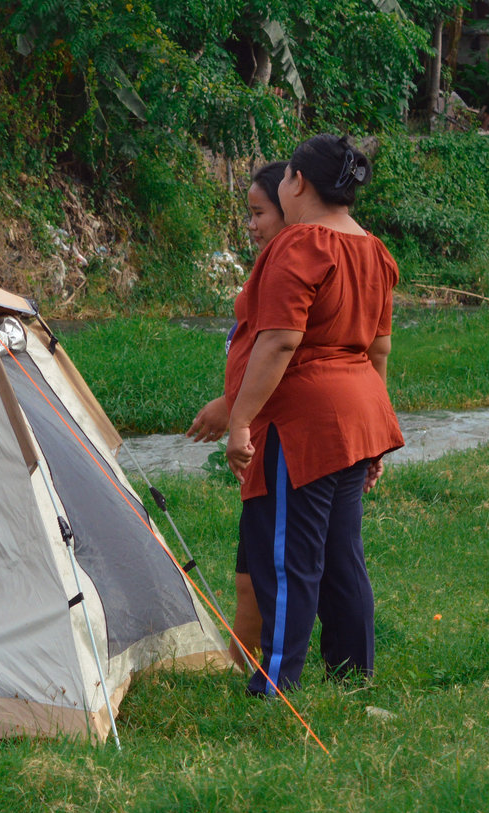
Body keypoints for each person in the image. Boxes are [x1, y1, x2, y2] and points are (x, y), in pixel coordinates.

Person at [225, 134, 404, 694]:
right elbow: (378, 351)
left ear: (298, 182)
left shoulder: (300, 245)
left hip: (302, 422)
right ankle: (354, 673)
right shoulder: (374, 250)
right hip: (357, 413)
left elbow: (278, 342)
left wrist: (240, 421)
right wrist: (371, 434)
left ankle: (276, 683)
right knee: (341, 554)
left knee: (288, 558)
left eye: (282, 180)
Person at [186, 160, 288, 671]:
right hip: (254, 433)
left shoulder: (291, 270)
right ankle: (239, 660)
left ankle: (273, 668)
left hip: (274, 437)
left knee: (269, 565)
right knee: (249, 567)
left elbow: (283, 353)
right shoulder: (269, 266)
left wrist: (234, 410)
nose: (251, 225)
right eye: (248, 214)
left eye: (259, 213)